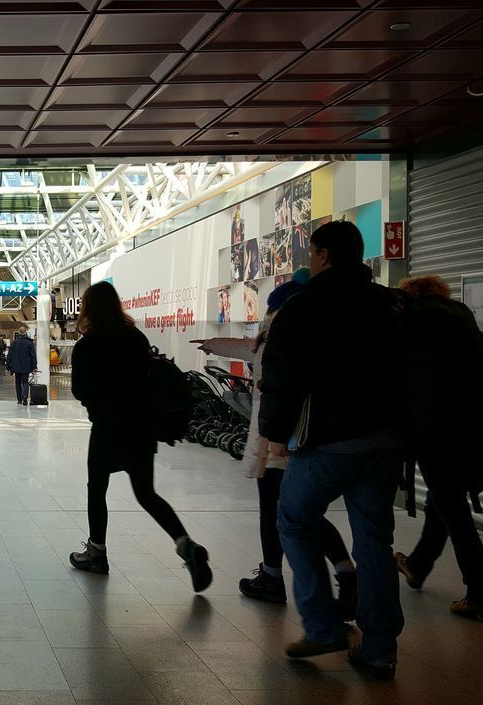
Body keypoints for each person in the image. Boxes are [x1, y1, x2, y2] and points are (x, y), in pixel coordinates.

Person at [259, 220, 405, 680]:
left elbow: (283, 378)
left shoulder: (305, 308)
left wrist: (274, 434)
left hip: (328, 443)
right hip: (384, 442)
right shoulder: (390, 304)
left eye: (312, 253)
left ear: (321, 256)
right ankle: (380, 649)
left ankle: (322, 625)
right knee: (376, 543)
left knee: (294, 518)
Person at [193, 268, 357, 611]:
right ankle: (340, 575)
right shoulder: (307, 329)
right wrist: (215, 344)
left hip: (281, 436)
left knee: (282, 510)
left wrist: (277, 441)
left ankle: (282, 581)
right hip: (290, 433)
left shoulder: (286, 330)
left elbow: (268, 368)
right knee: (297, 510)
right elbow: (254, 352)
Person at [68, 281, 213, 593]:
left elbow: (79, 390)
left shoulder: (87, 345)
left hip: (107, 428)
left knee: (98, 488)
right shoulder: (136, 337)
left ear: (88, 309)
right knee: (146, 492)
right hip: (141, 428)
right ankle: (185, 543)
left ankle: (97, 553)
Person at [393, 275, 483, 620]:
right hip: (469, 428)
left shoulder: (413, 324)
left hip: (434, 432)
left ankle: (481, 589)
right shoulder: (463, 321)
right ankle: (419, 565)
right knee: (443, 498)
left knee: (453, 509)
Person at [9, 328, 37, 405]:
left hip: (16, 366)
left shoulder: (14, 343)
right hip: (26, 366)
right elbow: (33, 356)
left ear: (18, 333)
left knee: (18, 383)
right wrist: (34, 366)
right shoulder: (30, 343)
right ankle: (25, 396)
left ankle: (19, 399)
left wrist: (8, 365)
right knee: (25, 382)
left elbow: (9, 355)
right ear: (26, 333)